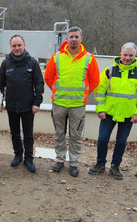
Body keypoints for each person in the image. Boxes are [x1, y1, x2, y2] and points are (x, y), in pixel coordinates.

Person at [44, 26, 100, 177]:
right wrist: (57, 91)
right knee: (59, 133)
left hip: (77, 105)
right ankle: (60, 160)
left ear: (81, 39)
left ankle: (74, 163)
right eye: (71, 37)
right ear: (66, 39)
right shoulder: (56, 57)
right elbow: (48, 78)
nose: (73, 39)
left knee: (75, 135)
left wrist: (84, 94)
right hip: (59, 104)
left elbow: (95, 80)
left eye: (76, 37)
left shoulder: (89, 58)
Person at [88, 42, 137, 180]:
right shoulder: (110, 70)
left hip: (128, 115)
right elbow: (99, 91)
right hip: (108, 113)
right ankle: (100, 163)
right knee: (102, 139)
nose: (127, 58)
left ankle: (115, 166)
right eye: (125, 55)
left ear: (135, 55)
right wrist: (100, 109)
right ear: (120, 54)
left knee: (121, 141)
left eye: (131, 55)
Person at [0, 35, 44, 173]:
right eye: (14, 46)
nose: (17, 48)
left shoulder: (32, 63)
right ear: (10, 47)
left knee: (28, 134)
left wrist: (37, 102)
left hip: (28, 107)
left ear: (24, 45)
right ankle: (18, 155)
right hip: (11, 106)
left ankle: (29, 158)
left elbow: (39, 84)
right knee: (15, 133)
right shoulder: (6, 63)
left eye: (19, 45)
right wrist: (0, 101)